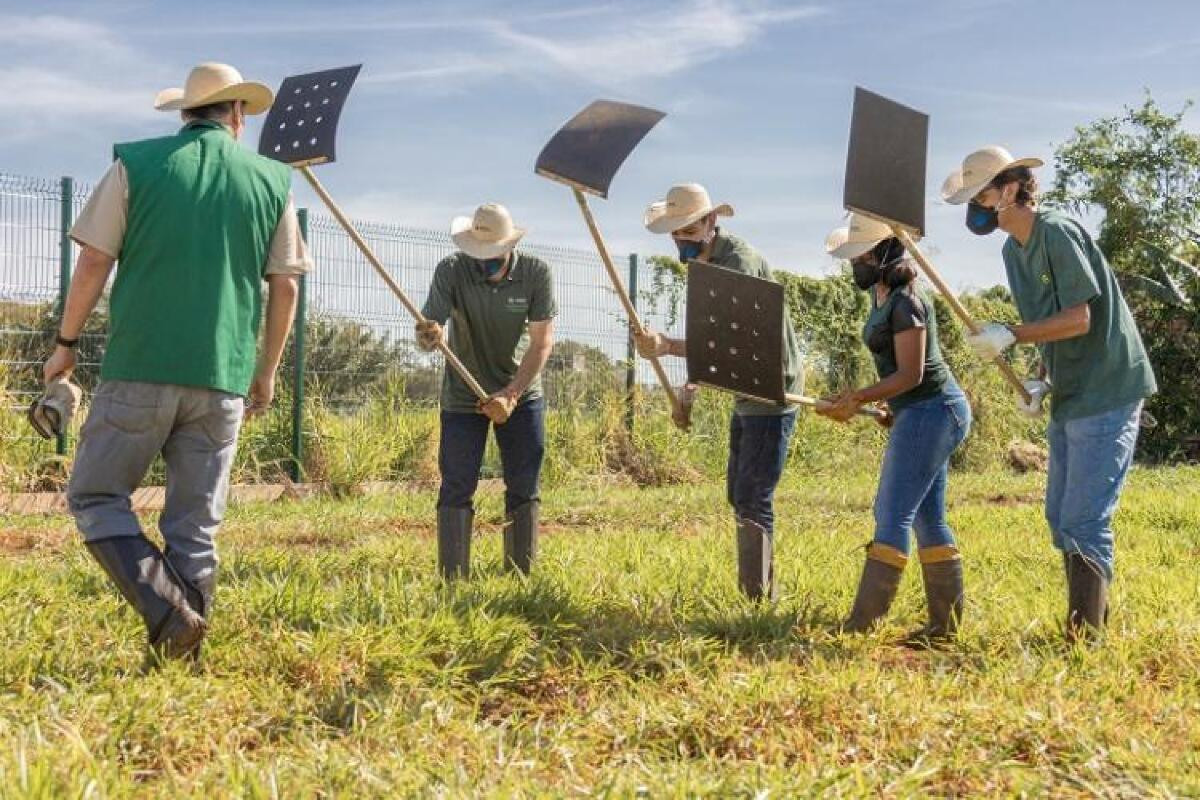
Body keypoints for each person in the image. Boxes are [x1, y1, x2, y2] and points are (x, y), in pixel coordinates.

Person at [43, 63, 310, 661]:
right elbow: (286, 287)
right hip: (223, 378)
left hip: (140, 364)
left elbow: (92, 263)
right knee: (196, 525)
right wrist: (264, 372)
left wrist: (65, 344)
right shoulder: (272, 181)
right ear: (236, 115)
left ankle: (167, 611)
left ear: (185, 113)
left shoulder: (135, 165)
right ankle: (183, 654)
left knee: (94, 496)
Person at [942, 146, 1157, 641]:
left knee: (1084, 517)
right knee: (1060, 516)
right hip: (1072, 388)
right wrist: (1042, 380)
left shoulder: (1056, 231)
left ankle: (1086, 638)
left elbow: (1079, 318)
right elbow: (1048, 317)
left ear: (1012, 189)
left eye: (983, 194)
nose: (976, 206)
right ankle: (1088, 623)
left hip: (1109, 384)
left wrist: (1012, 334)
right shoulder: (1011, 252)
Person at [635, 183, 803, 601]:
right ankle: (763, 586)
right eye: (675, 231)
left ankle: (759, 599)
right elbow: (714, 346)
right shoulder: (705, 266)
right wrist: (687, 395)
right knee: (737, 492)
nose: (681, 239)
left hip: (771, 387)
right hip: (743, 385)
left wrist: (667, 346)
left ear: (712, 222)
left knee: (753, 494)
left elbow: (729, 341)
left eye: (689, 229)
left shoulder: (738, 264)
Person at [818, 214, 972, 641]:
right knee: (927, 517)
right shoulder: (881, 296)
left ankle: (862, 625)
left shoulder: (908, 303)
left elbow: (912, 375)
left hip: (935, 409)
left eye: (862, 255)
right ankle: (945, 627)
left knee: (891, 512)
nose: (855, 264)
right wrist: (887, 406)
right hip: (917, 411)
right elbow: (899, 381)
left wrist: (859, 398)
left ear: (885, 252)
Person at [415, 203, 557, 579]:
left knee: (523, 483)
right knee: (457, 483)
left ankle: (519, 574)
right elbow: (431, 331)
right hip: (464, 396)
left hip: (521, 394)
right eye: (477, 256)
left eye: (492, 257)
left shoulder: (536, 273)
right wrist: (429, 336)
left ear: (509, 247)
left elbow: (542, 344)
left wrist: (511, 395)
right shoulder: (451, 270)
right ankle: (452, 578)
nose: (484, 263)